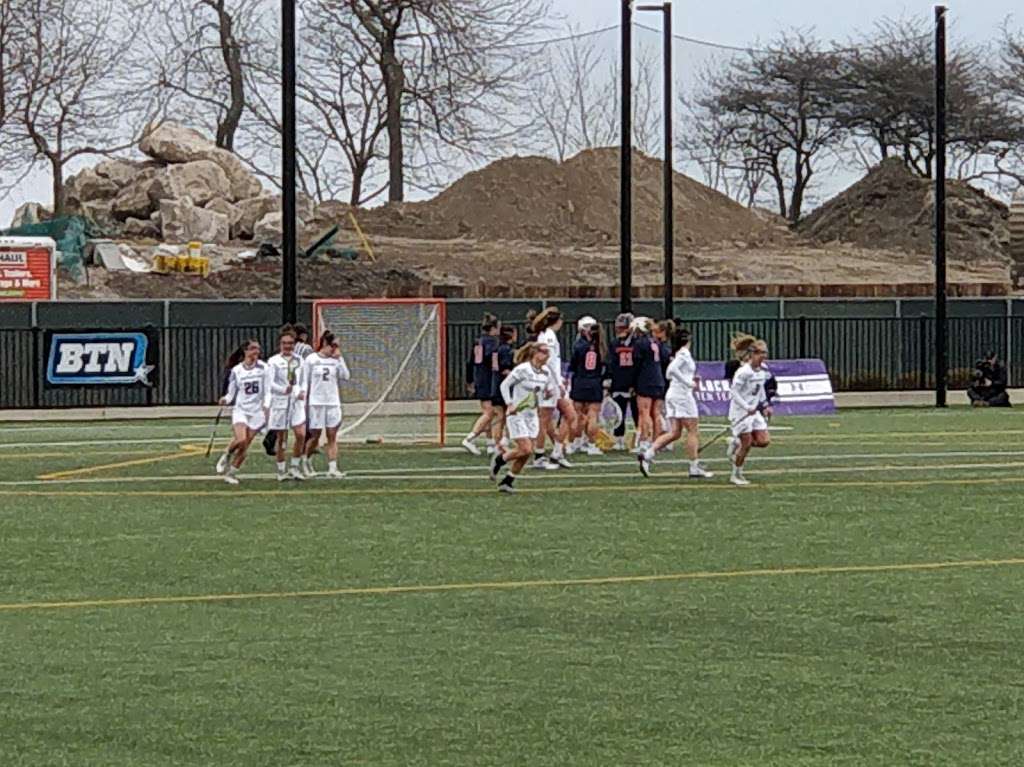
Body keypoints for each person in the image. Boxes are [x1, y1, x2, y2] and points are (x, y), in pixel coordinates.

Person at [638, 327, 713, 479]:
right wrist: (688, 383)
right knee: (692, 430)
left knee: (675, 432)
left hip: (674, 394)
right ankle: (694, 467)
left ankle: (648, 454)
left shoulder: (679, 354)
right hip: (682, 396)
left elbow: (671, 372)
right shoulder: (684, 354)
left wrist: (687, 380)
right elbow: (671, 370)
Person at [490, 342, 556, 493]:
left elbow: (546, 389)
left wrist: (548, 393)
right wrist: (510, 404)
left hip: (532, 415)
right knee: (525, 448)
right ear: (535, 353)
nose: (547, 356)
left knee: (527, 452)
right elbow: (505, 385)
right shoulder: (523, 369)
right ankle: (500, 460)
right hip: (517, 414)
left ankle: (507, 481)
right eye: (544, 352)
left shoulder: (546, 372)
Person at [216, 339, 268, 485]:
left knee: (245, 445)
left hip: (257, 412)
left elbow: (268, 389)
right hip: (241, 410)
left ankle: (231, 473)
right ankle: (227, 453)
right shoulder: (237, 370)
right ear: (245, 351)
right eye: (252, 349)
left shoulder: (264, 368)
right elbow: (231, 393)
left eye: (257, 349)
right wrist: (225, 399)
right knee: (240, 439)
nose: (256, 352)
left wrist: (267, 405)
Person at [301, 331, 351, 479]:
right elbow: (305, 380)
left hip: (332, 402)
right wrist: (304, 399)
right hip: (316, 402)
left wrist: (340, 358)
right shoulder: (311, 359)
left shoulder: (335, 360)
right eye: (333, 345)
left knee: (332, 436)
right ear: (325, 343)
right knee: (315, 436)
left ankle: (333, 467)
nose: (335, 349)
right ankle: (306, 460)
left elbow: (346, 375)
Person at [532, 307, 577, 469]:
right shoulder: (549, 336)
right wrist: (557, 382)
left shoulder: (545, 335)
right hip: (549, 383)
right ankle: (539, 455)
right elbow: (549, 362)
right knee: (545, 420)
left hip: (552, 381)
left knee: (569, 415)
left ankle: (557, 451)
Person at [727, 334, 773, 486]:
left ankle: (735, 443)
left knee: (763, 441)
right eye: (761, 353)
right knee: (746, 444)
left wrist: (765, 405)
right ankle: (736, 474)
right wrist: (746, 407)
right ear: (753, 354)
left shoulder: (762, 372)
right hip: (741, 412)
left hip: (754, 412)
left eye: (765, 353)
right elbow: (734, 392)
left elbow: (760, 391)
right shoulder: (743, 372)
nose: (763, 356)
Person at [264, 326, 307, 481]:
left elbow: (303, 381)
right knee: (282, 438)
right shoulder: (273, 361)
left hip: (296, 403)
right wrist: (284, 390)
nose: (288, 346)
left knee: (301, 434)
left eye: (290, 343)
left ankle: (295, 467)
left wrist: (301, 391)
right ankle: (281, 470)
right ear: (280, 344)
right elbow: (269, 383)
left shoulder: (300, 360)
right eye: (284, 343)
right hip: (281, 403)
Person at [462, 313, 501, 455]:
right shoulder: (493, 343)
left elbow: (471, 363)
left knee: (488, 412)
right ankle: (470, 438)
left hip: (480, 379)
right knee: (490, 412)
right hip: (489, 380)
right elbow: (492, 361)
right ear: (493, 328)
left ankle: (490, 443)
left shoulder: (478, 342)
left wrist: (470, 380)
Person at [569, 316, 606, 456]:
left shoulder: (579, 345)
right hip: (595, 382)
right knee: (592, 416)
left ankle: (575, 443)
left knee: (578, 416)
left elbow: (573, 365)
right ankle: (591, 444)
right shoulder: (600, 345)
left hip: (580, 381)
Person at [630, 317, 666, 455]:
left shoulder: (640, 344)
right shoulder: (656, 342)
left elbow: (636, 365)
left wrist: (632, 382)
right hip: (658, 379)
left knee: (644, 412)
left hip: (645, 380)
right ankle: (656, 443)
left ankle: (645, 442)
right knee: (656, 413)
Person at [605, 312, 637, 450]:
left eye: (624, 327)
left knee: (637, 412)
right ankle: (619, 438)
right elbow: (611, 363)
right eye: (619, 327)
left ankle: (639, 438)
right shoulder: (614, 343)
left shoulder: (637, 343)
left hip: (634, 381)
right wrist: (609, 380)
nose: (620, 330)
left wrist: (635, 382)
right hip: (619, 380)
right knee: (619, 412)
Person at [489, 325, 518, 453]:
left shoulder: (496, 348)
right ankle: (500, 442)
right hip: (503, 386)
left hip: (495, 383)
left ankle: (498, 443)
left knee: (500, 416)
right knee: (503, 416)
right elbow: (505, 369)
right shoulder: (506, 350)